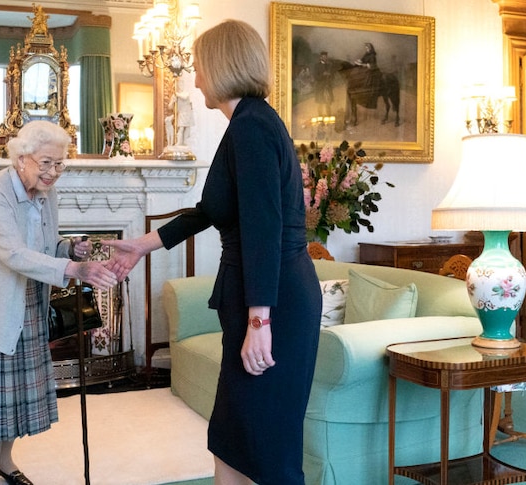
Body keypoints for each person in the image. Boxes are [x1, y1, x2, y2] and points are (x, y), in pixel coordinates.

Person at [105, 20, 321, 485]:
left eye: (200, 66)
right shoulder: (246, 123)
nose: (196, 77)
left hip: (274, 302)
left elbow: (263, 229)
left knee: (267, 446)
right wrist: (144, 244)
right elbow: (212, 209)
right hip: (259, 295)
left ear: (222, 65)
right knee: (231, 434)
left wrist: (259, 321)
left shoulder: (252, 127)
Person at [0, 120, 118, 485]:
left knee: (15, 394)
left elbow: (43, 245)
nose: (53, 172)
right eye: (46, 163)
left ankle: (5, 464)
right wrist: (74, 267)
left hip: (29, 299)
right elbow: (12, 253)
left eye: (60, 164)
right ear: (22, 158)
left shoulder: (45, 193)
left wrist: (66, 248)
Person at [313, 51, 335, 116]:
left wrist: (330, 75)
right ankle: (320, 117)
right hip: (320, 87)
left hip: (328, 87)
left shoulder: (330, 65)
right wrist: (323, 75)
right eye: (323, 57)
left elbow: (333, 76)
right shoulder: (317, 66)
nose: (325, 58)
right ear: (320, 57)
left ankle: (329, 116)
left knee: (328, 103)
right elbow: (316, 77)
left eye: (326, 56)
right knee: (320, 103)